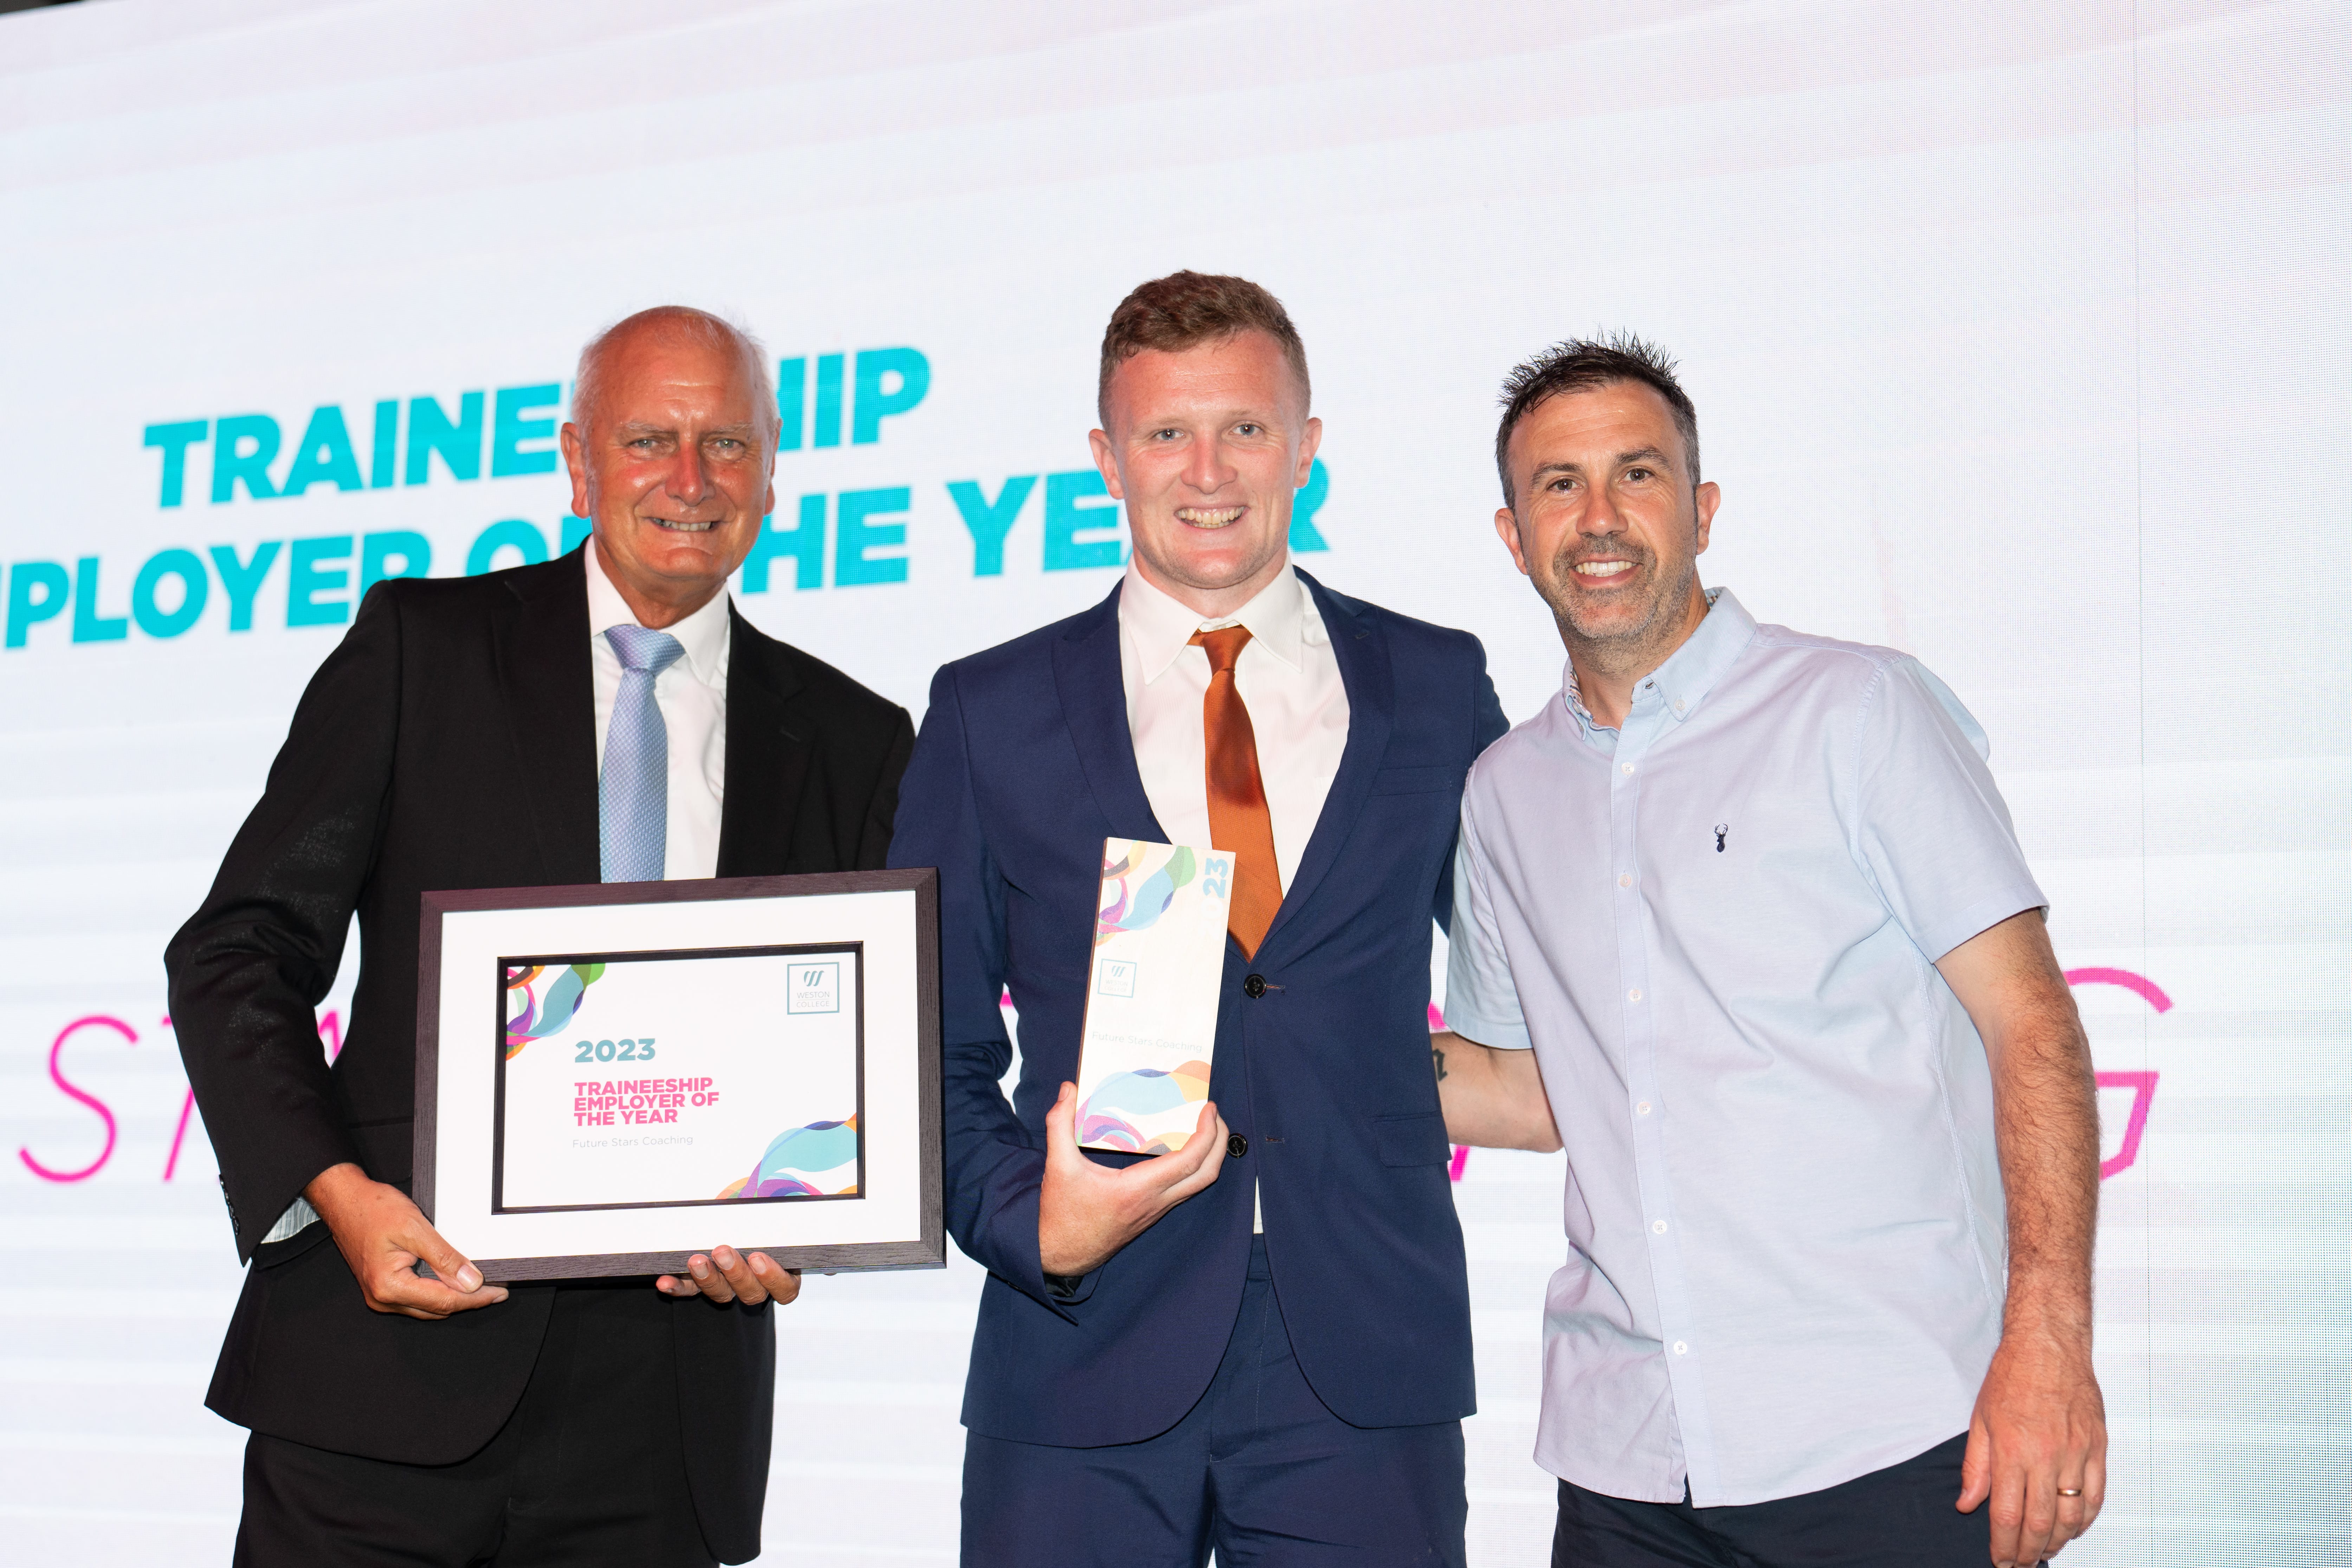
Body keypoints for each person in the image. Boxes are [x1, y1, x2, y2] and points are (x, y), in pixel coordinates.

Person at [166, 306, 915, 1567]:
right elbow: (238, 952)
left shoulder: (853, 736)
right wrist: (338, 1198)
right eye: (648, 439)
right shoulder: (423, 649)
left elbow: (853, 1050)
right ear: (576, 459)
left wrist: (805, 1224)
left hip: (663, 1421)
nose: (689, 480)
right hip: (381, 1370)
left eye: (726, 443)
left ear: (775, 473)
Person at [1433, 336, 2107, 1568]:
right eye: (1557, 484)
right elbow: (1530, 1091)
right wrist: (1275, 1050)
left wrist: (2050, 1346)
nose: (1598, 517)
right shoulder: (1501, 793)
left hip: (1893, 1437)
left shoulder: (1856, 709)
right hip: (1625, 1459)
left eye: (1636, 475)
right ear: (1510, 530)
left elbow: (2030, 1024)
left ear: (1701, 508)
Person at [888, 271, 1508, 1565]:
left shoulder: (1436, 685)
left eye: (1245, 427)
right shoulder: (988, 709)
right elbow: (921, 1046)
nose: (1207, 468)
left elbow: (1548, 976)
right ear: (1106, 459)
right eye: (1166, 433)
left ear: (1307, 447)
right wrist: (1033, 1224)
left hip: (1366, 1348)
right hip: (1078, 1345)